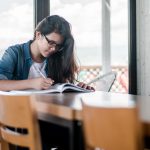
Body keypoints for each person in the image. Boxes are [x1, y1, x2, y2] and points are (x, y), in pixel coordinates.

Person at [0, 15, 94, 91]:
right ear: (38, 35)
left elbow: (61, 88)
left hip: (49, 109)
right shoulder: (14, 53)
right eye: (51, 42)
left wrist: (77, 88)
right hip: (19, 109)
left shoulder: (56, 57)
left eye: (58, 46)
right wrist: (32, 83)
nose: (54, 49)